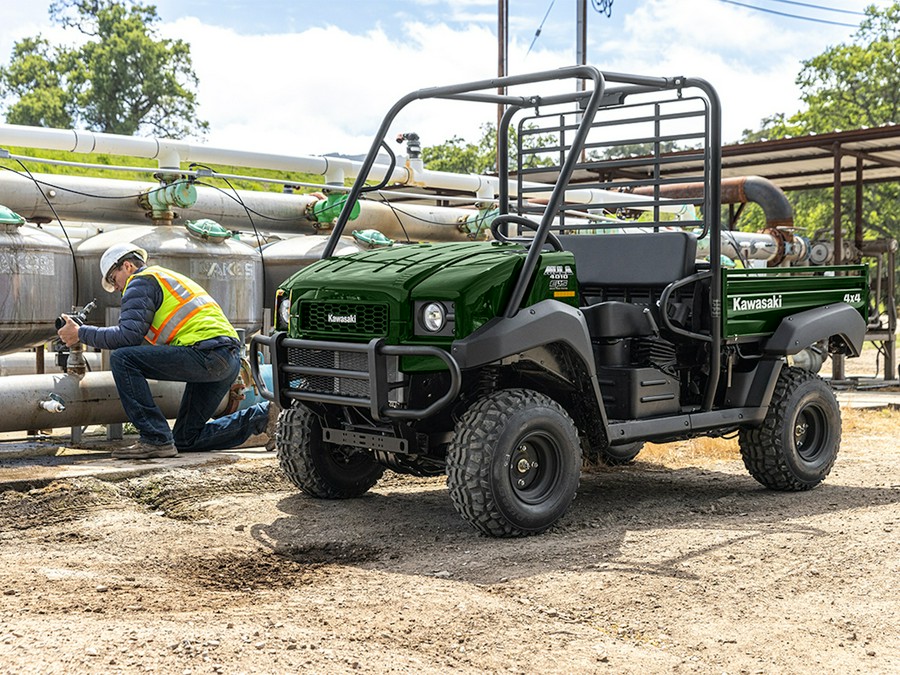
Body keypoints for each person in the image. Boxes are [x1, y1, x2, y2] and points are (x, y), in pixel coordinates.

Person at [57, 242, 276, 459]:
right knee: (186, 439)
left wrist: (81, 333)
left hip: (207, 354)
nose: (116, 288)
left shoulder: (140, 281)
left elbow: (127, 336)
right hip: (227, 357)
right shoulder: (163, 278)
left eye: (114, 279)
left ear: (127, 266)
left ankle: (155, 438)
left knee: (123, 359)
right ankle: (264, 416)